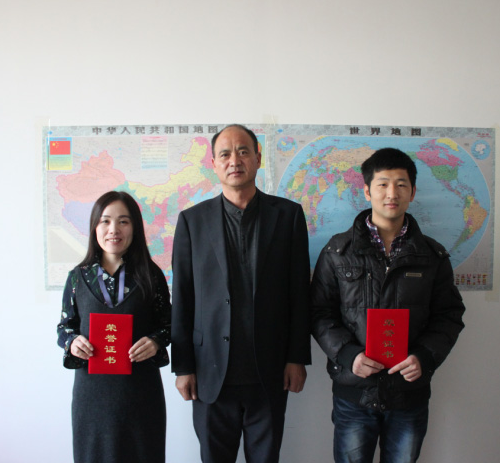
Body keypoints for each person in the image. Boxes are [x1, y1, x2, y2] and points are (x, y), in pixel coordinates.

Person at [310, 148, 465, 463]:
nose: (392, 193)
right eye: (382, 184)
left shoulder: (432, 256)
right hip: (354, 393)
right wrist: (348, 355)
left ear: (413, 192)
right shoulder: (337, 252)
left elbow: (448, 316)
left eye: (401, 184)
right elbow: (318, 312)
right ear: (367, 191)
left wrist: (424, 357)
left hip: (408, 393)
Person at [171, 124, 311, 462]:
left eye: (244, 151)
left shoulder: (288, 216)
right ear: (214, 164)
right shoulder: (192, 221)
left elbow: (299, 294)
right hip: (209, 373)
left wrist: (296, 357)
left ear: (258, 159)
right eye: (225, 154)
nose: (235, 160)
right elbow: (183, 298)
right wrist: (183, 367)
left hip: (270, 371)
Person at [57, 191, 172, 463]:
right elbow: (65, 327)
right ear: (95, 227)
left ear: (135, 228)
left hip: (140, 393)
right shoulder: (78, 277)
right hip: (92, 397)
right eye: (105, 221)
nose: (113, 230)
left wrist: (155, 341)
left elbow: (169, 325)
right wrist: (72, 342)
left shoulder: (151, 275)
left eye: (123, 221)